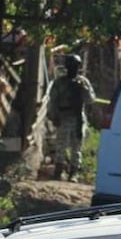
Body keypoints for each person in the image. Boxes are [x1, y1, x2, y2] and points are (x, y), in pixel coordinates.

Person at [46, 54, 96, 182]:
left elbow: (90, 100)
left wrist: (83, 89)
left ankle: (74, 173)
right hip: (64, 116)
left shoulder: (83, 82)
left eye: (75, 65)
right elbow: (53, 100)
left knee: (76, 147)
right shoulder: (59, 82)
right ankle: (58, 171)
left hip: (78, 117)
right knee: (61, 146)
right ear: (67, 67)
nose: (72, 68)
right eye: (70, 65)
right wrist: (54, 115)